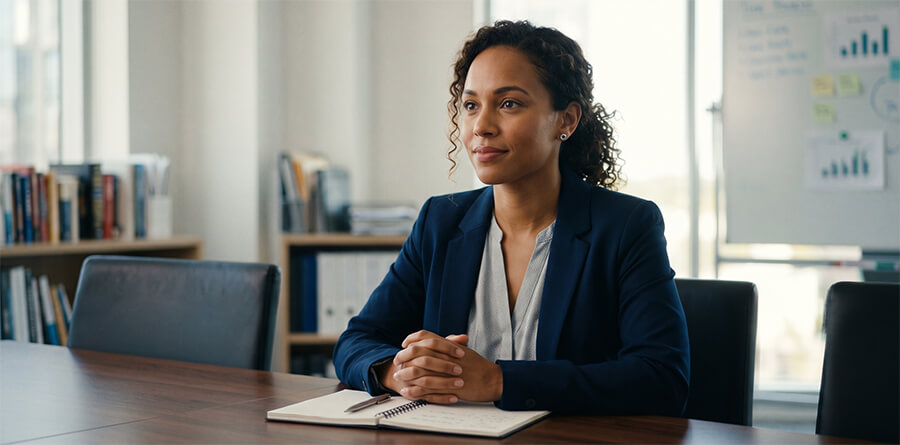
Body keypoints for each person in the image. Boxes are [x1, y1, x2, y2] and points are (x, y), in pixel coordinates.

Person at [333, 20, 689, 415]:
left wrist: (498, 381)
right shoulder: (441, 220)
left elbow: (661, 377)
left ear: (566, 121)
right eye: (471, 106)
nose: (481, 127)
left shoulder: (626, 226)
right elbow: (357, 340)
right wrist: (396, 371)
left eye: (509, 104)